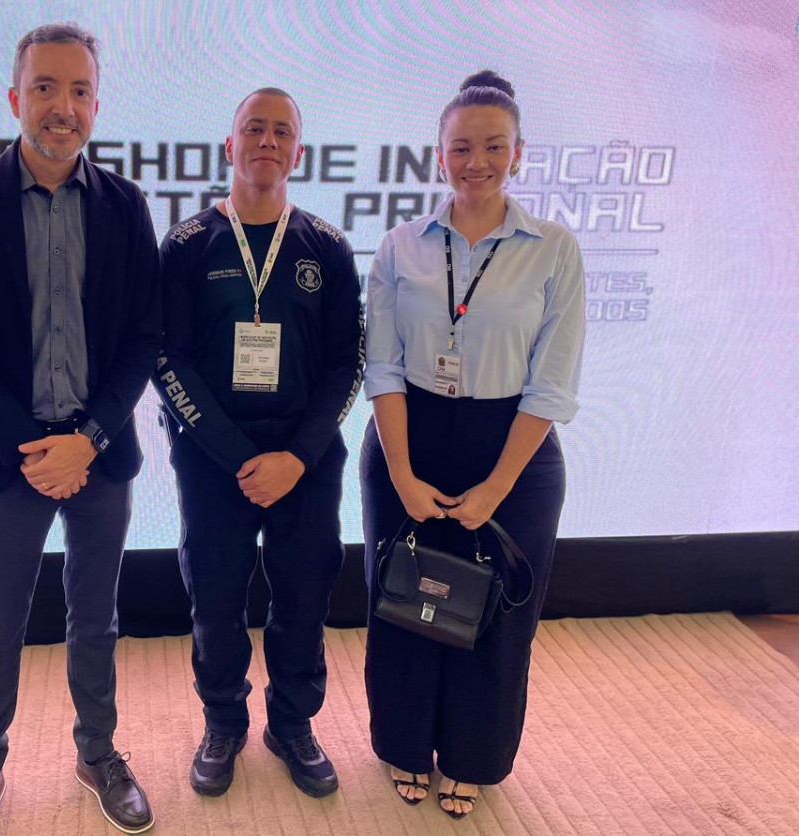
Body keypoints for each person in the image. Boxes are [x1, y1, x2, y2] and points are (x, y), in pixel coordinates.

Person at [0, 23, 161, 836]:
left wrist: (87, 440)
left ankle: (98, 752)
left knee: (97, 618)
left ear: (97, 103)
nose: (64, 106)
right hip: (6, 460)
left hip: (100, 457)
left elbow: (143, 339)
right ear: (15, 97)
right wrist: (33, 451)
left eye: (80, 90)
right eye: (47, 88)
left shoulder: (126, 206)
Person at [360, 70, 585, 820]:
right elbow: (383, 367)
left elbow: (551, 384)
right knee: (405, 601)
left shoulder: (553, 250)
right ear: (439, 156)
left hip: (512, 451)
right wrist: (401, 472)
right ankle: (403, 745)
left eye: (493, 146)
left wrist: (495, 488)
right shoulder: (401, 246)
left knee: (496, 616)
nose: (476, 161)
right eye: (461, 147)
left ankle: (472, 757)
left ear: (518, 153)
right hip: (408, 438)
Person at [155, 88, 364, 799]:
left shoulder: (327, 247)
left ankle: (293, 724)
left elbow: (347, 363)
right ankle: (223, 722)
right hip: (214, 456)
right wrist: (240, 457)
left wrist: (297, 457)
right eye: (254, 129)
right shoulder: (187, 245)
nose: (267, 141)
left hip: (305, 458)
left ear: (298, 152)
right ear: (230, 145)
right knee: (215, 596)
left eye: (281, 132)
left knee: (304, 594)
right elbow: (168, 359)